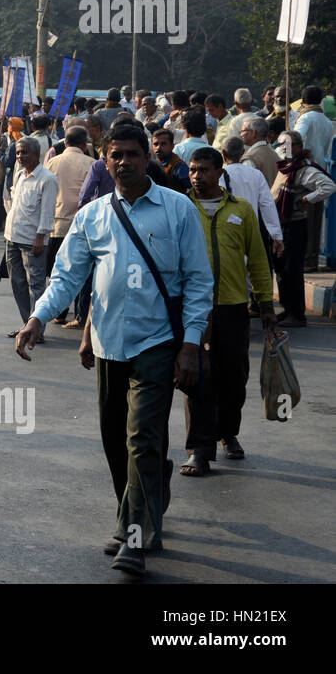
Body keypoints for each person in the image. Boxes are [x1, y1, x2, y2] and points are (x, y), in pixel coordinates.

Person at [16, 124, 213, 578]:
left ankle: (135, 535)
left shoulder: (178, 210)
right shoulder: (92, 216)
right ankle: (144, 505)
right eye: (115, 155)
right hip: (108, 343)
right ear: (105, 160)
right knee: (114, 440)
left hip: (160, 342)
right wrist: (38, 318)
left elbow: (200, 281)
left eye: (131, 154)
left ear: (148, 158)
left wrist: (190, 342)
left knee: (141, 437)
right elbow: (68, 277)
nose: (123, 162)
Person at [180, 146, 274, 477]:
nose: (196, 176)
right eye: (192, 170)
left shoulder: (242, 210)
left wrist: (265, 303)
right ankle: (199, 449)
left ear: (220, 173)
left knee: (234, 378)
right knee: (198, 378)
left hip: (233, 306)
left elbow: (259, 259)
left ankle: (227, 432)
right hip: (194, 310)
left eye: (204, 170)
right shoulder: (181, 207)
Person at [271, 130, 336, 326]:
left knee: (293, 270)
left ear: (298, 147)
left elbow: (328, 186)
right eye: (281, 145)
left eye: (288, 145)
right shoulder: (286, 168)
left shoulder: (305, 170)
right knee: (281, 269)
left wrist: (307, 198)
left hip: (294, 225)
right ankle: (287, 308)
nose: (284, 149)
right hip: (280, 225)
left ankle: (297, 314)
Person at [3, 137, 58, 339]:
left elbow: (47, 211)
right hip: (12, 236)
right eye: (18, 153)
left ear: (37, 154)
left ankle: (37, 329)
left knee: (36, 286)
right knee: (17, 283)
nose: (20, 156)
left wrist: (40, 237)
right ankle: (27, 323)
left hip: (32, 240)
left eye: (24, 152)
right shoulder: (19, 174)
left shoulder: (47, 178)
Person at [46, 126, 95, 328]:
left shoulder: (52, 162)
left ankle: (59, 311)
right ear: (85, 144)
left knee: (60, 272)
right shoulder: (92, 164)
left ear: (65, 142)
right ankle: (81, 315)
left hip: (56, 224)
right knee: (83, 273)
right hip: (82, 225)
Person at [292, 85, 333, 270]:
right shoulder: (325, 120)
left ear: (303, 101)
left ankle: (306, 259)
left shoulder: (306, 117)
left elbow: (295, 137)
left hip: (304, 173)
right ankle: (312, 258)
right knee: (315, 220)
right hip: (321, 171)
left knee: (302, 217)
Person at [150, 129, 190, 194]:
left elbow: (192, 188)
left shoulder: (178, 166)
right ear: (152, 146)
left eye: (163, 144)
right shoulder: (153, 164)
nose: (158, 147)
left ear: (172, 146)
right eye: (156, 144)